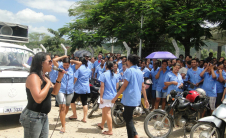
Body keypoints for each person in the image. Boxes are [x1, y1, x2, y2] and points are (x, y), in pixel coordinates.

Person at [19, 52, 66, 138]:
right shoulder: (34, 77)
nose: (52, 63)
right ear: (41, 63)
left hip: (43, 116)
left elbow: (54, 92)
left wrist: (59, 78)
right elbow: (38, 98)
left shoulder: (44, 76)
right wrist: (48, 83)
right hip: (33, 117)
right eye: (50, 61)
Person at [112, 54, 149, 138]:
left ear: (129, 61)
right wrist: (146, 99)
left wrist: (115, 97)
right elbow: (143, 86)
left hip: (129, 98)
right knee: (127, 116)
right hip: (136, 98)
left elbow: (124, 85)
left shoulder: (129, 71)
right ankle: (135, 134)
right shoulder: (140, 71)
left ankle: (132, 136)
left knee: (127, 118)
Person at [53, 55, 82, 133]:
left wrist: (71, 60)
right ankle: (63, 126)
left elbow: (80, 63)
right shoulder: (59, 67)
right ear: (62, 64)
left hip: (70, 91)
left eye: (67, 65)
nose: (65, 66)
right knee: (62, 107)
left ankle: (63, 118)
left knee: (66, 107)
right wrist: (62, 57)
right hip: (60, 90)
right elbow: (54, 61)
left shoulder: (72, 68)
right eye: (64, 65)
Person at [97, 61, 119, 135]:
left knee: (107, 113)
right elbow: (117, 86)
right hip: (113, 95)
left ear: (106, 66)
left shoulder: (103, 75)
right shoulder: (115, 75)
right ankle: (102, 124)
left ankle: (110, 130)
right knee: (104, 111)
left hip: (106, 96)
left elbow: (102, 87)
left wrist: (101, 97)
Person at [70, 57, 92, 123]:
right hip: (85, 88)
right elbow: (89, 78)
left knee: (72, 101)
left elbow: (75, 78)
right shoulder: (88, 69)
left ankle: (74, 114)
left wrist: (72, 85)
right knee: (84, 102)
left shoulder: (79, 69)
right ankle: (84, 118)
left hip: (78, 87)